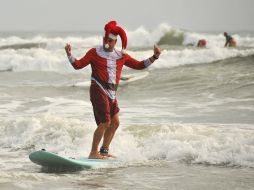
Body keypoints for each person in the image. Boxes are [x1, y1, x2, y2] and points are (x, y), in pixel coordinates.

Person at [65, 21, 161, 159]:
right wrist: (69, 54)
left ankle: (104, 151)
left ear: (116, 42)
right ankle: (93, 153)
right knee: (105, 122)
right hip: (98, 89)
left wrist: (155, 57)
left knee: (115, 123)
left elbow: (139, 65)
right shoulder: (94, 52)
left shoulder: (121, 56)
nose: (107, 42)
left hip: (112, 93)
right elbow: (78, 65)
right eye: (106, 39)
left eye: (111, 41)